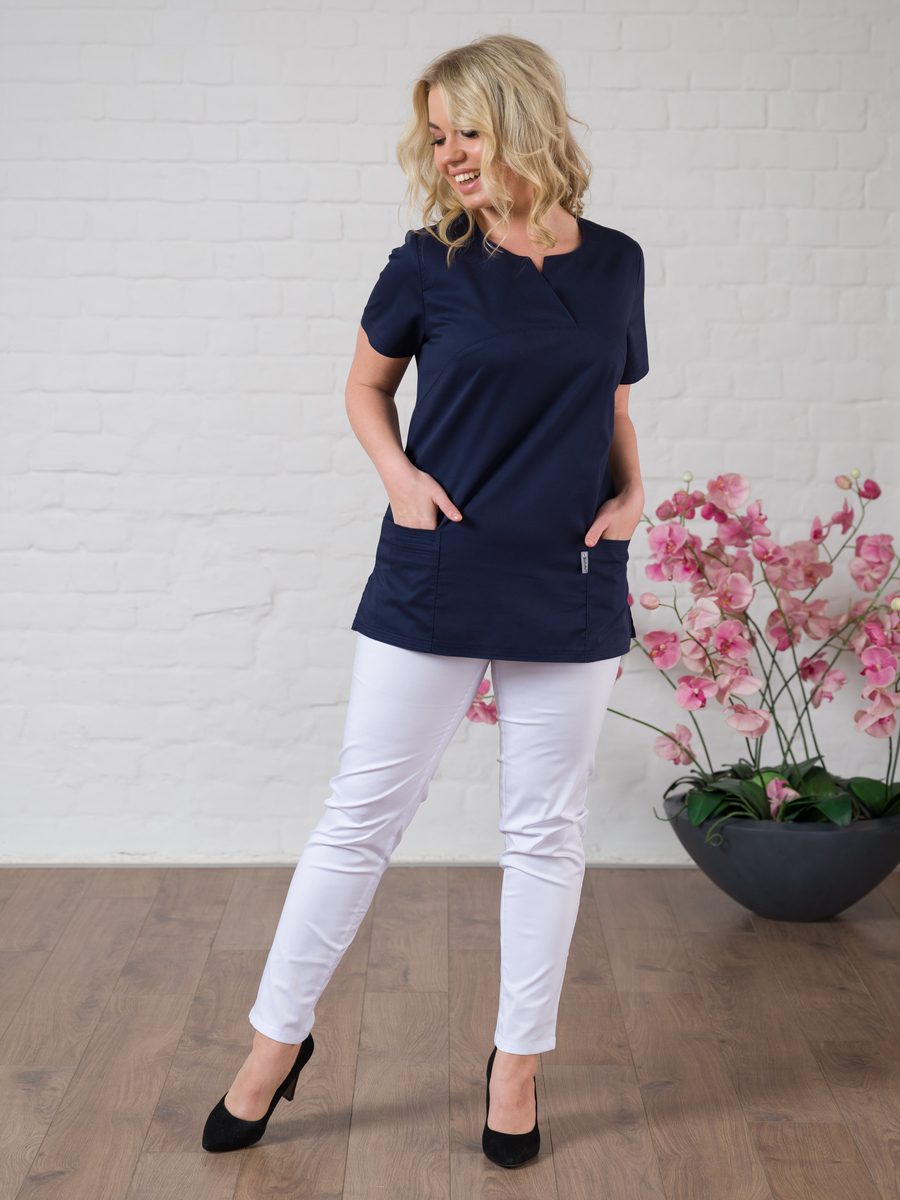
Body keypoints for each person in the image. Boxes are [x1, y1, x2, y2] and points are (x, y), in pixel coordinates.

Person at [202, 32, 649, 1168]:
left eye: (469, 130)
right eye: (437, 134)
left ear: (525, 123)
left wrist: (635, 493)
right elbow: (365, 386)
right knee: (360, 819)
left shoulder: (616, 263)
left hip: (571, 576)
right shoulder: (426, 261)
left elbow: (612, 404)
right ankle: (273, 1045)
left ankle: (518, 1065)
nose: (447, 152)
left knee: (544, 833)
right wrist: (399, 480)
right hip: (437, 564)